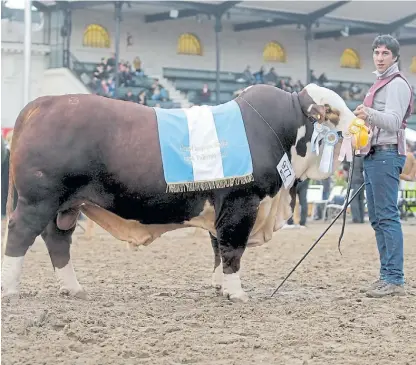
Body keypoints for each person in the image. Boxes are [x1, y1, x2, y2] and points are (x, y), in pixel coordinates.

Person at [353, 34, 413, 298]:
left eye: (385, 53)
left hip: (387, 154)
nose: (379, 58)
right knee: (378, 219)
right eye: (377, 53)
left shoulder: (397, 84)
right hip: (374, 154)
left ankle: (394, 278)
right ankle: (387, 275)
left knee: (387, 217)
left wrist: (368, 114)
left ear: (395, 56)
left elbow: (393, 120)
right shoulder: (380, 83)